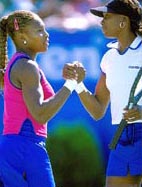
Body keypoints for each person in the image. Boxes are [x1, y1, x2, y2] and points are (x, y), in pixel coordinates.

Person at [0, 10, 85, 187]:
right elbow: (40, 114)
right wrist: (70, 85)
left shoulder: (23, 64)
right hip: (26, 147)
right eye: (39, 31)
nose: (46, 35)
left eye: (45, 29)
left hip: (15, 148)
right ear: (23, 36)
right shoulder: (27, 67)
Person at [63, 0, 142, 186]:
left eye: (107, 17)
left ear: (123, 21)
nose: (101, 22)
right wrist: (78, 84)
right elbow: (98, 110)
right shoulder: (108, 58)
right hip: (122, 134)